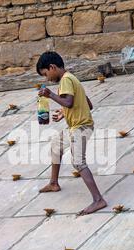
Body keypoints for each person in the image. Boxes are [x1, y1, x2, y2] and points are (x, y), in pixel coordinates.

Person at [36, 51, 107, 215]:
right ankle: (54, 183)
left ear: (52, 67)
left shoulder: (66, 80)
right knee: (56, 145)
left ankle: (98, 200)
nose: (47, 79)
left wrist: (51, 95)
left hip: (81, 127)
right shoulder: (71, 78)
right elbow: (88, 104)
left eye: (46, 74)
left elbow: (69, 101)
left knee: (78, 162)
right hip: (77, 125)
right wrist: (64, 112)